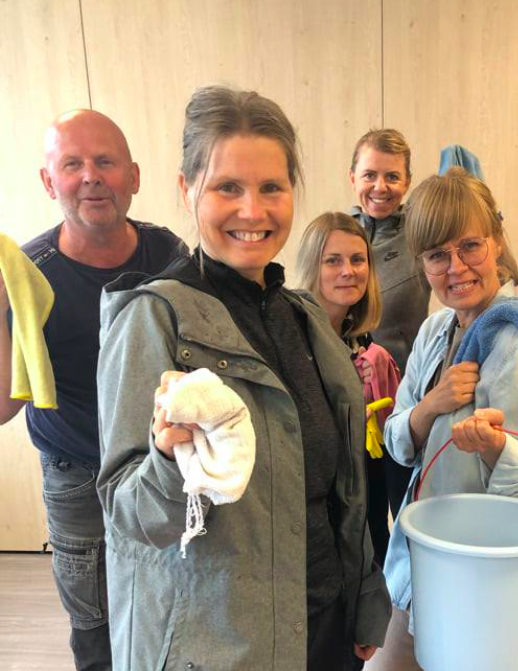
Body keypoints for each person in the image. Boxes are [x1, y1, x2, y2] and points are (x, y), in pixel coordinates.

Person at [95, 86, 390, 671]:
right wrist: (166, 461)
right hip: (224, 645)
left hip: (325, 625)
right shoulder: (154, 320)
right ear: (187, 190)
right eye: (227, 187)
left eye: (271, 188)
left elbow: (341, 490)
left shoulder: (305, 318)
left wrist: (362, 597)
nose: (253, 211)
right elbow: (127, 515)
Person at [0, 109, 185, 670]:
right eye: (72, 164)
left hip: (160, 465)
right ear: (48, 181)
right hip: (76, 472)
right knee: (95, 622)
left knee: (173, 603)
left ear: (134, 176)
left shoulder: (169, 254)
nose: (90, 177)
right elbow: (3, 407)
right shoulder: (27, 274)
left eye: (105, 161)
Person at [367, 168, 518, 671]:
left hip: (488, 583)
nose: (456, 268)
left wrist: (496, 448)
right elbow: (398, 443)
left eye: (470, 246)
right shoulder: (435, 330)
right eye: (437, 255)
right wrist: (430, 405)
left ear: (496, 242)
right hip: (420, 565)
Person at [296, 211, 401, 565]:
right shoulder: (294, 337)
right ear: (313, 266)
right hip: (319, 513)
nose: (348, 271)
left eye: (358, 260)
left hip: (364, 505)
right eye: (333, 261)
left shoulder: (364, 343)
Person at [349, 129, 424, 525]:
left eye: (392, 176)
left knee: (409, 516)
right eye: (370, 175)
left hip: (406, 404)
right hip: (351, 408)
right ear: (353, 178)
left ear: (407, 182)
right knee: (362, 519)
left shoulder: (421, 232)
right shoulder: (338, 236)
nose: (380, 187)